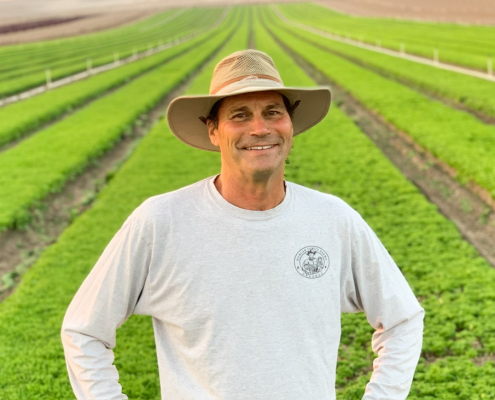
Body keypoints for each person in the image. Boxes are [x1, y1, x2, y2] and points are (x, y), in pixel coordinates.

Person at [62, 49, 424, 400]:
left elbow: (402, 320)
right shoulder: (161, 222)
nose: (259, 128)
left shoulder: (333, 219)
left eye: (272, 112)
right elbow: (83, 330)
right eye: (239, 115)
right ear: (213, 131)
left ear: (290, 125)